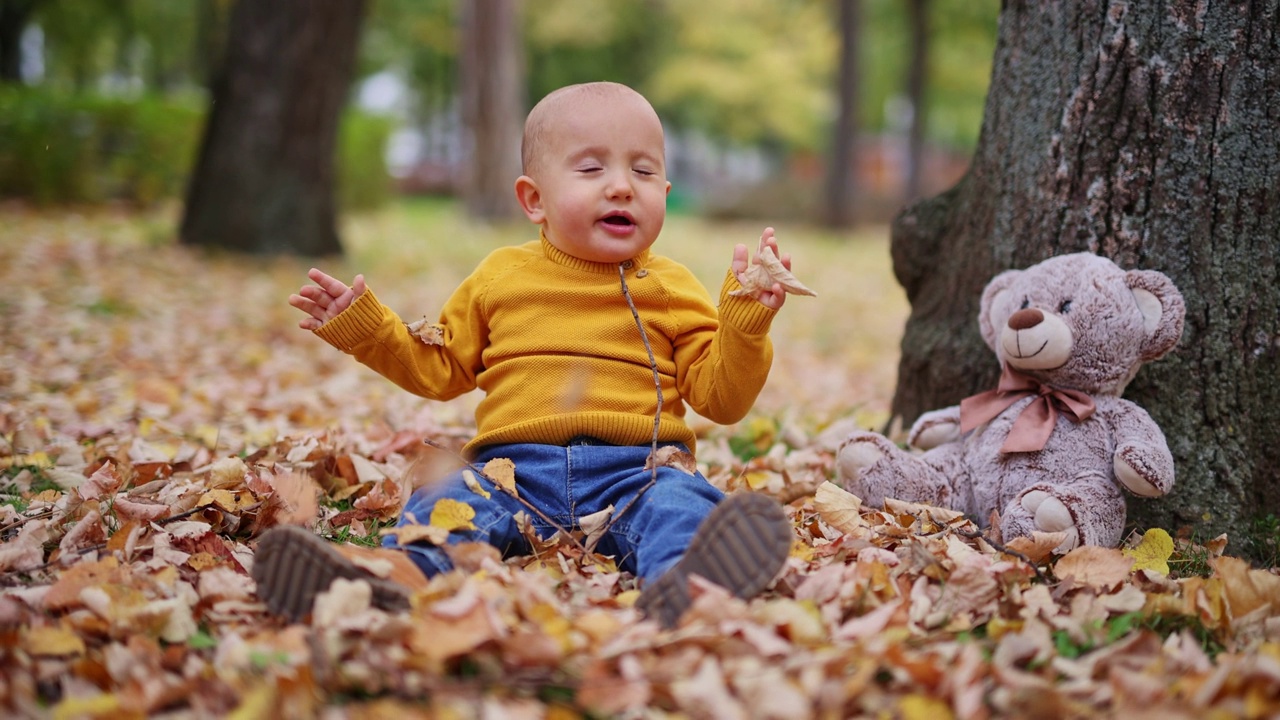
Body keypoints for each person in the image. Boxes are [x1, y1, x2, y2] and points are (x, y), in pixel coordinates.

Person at [254, 81, 798, 629]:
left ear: (666, 188)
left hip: (639, 469)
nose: (622, 187)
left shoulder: (675, 288)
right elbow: (440, 369)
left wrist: (744, 328)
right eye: (591, 170)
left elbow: (721, 401)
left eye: (643, 171)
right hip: (510, 470)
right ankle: (396, 574)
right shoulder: (500, 277)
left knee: (681, 507)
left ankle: (690, 582)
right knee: (449, 503)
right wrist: (366, 329)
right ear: (534, 199)